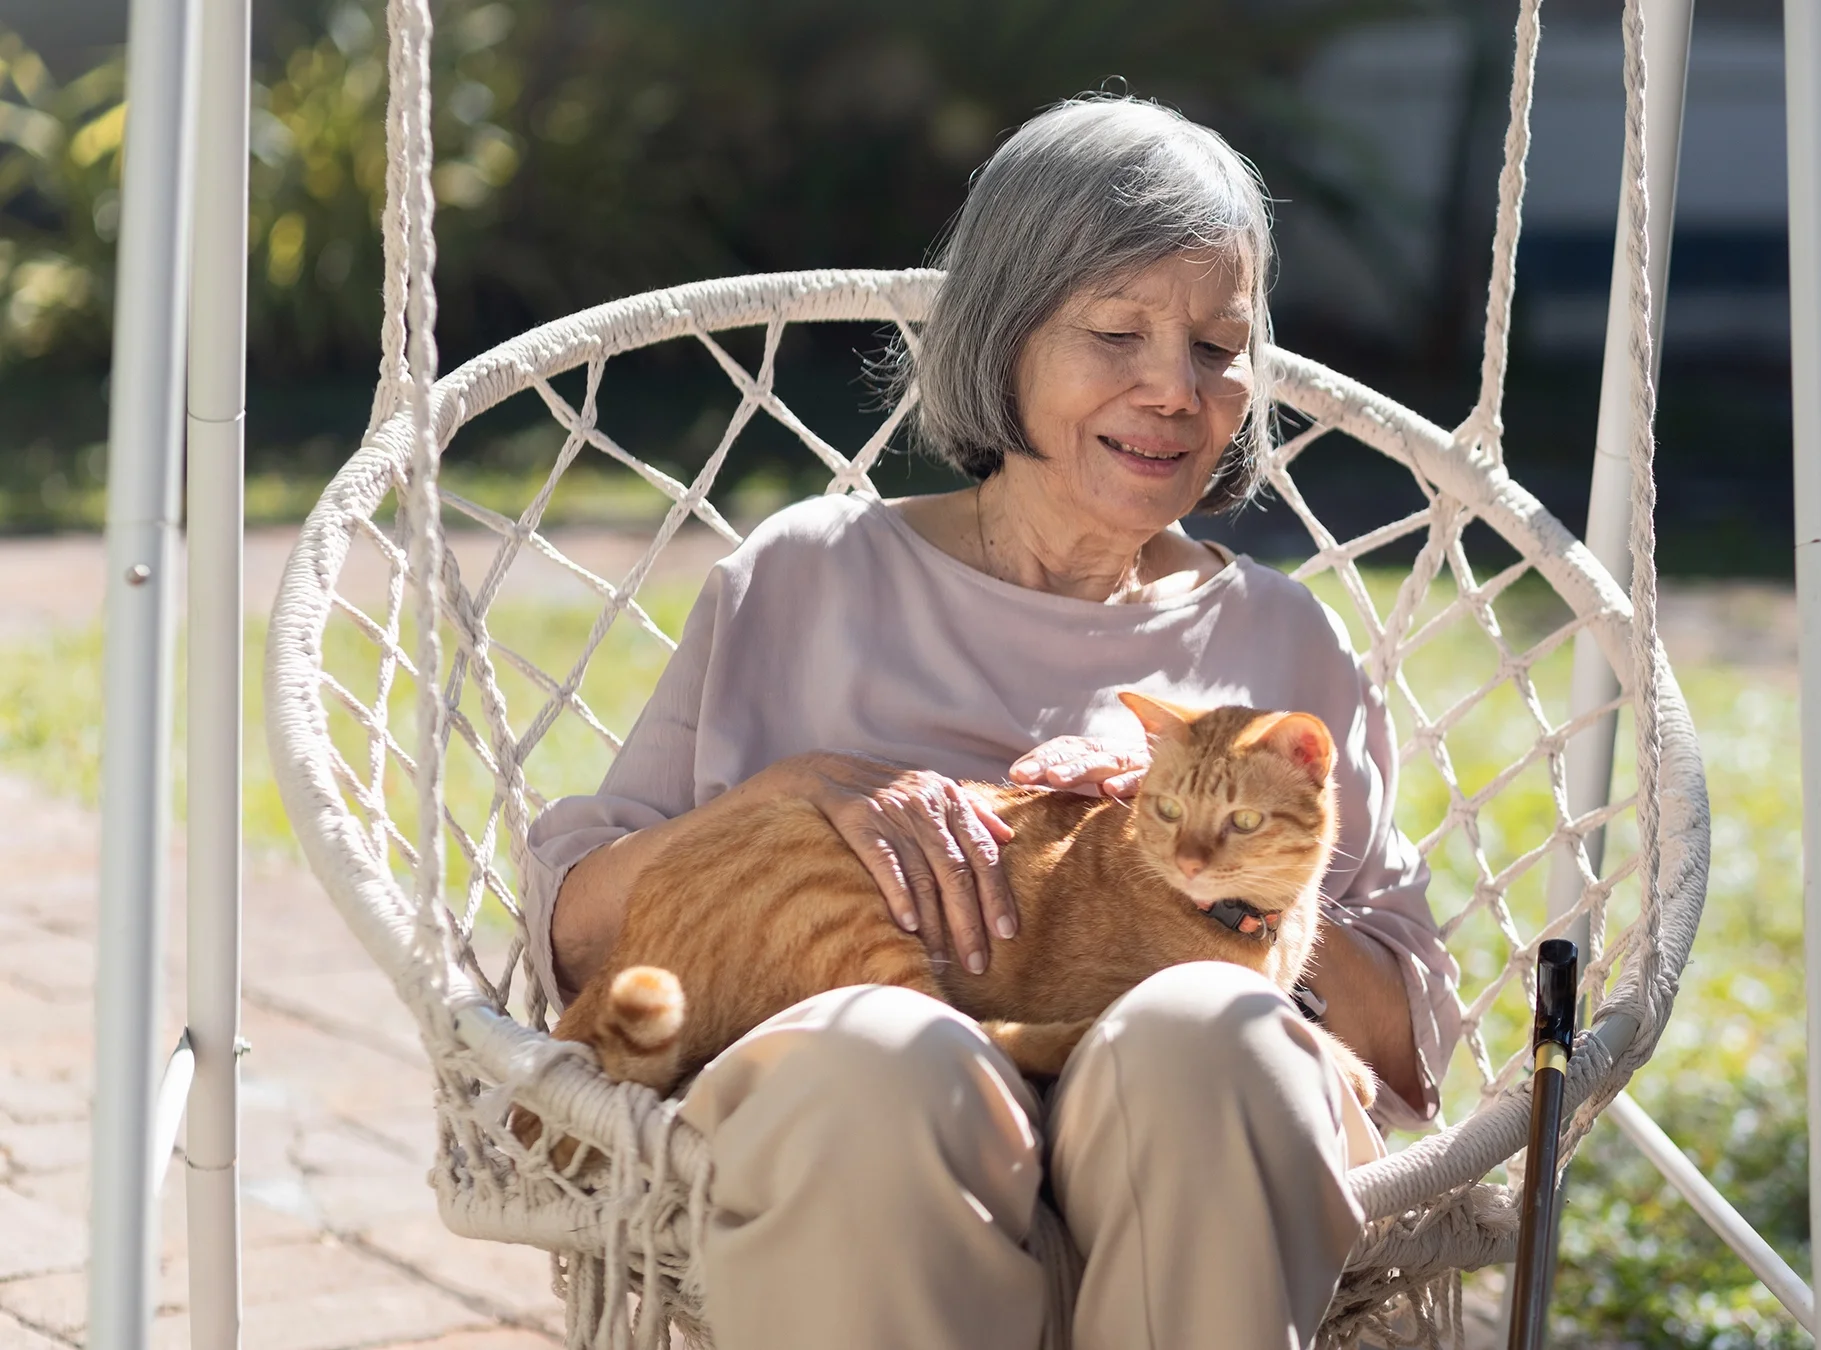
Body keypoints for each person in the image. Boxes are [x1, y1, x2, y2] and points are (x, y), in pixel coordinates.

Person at [523, 96, 1460, 1350]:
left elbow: (1408, 1039)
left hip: (1191, 1167)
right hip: (859, 1122)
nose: (1177, 390)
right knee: (874, 1058)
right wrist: (783, 795)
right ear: (1004, 337)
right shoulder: (806, 578)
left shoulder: (1281, 646)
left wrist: (1210, 884)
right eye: (1117, 332)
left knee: (1214, 1034)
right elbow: (579, 942)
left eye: (1222, 348)